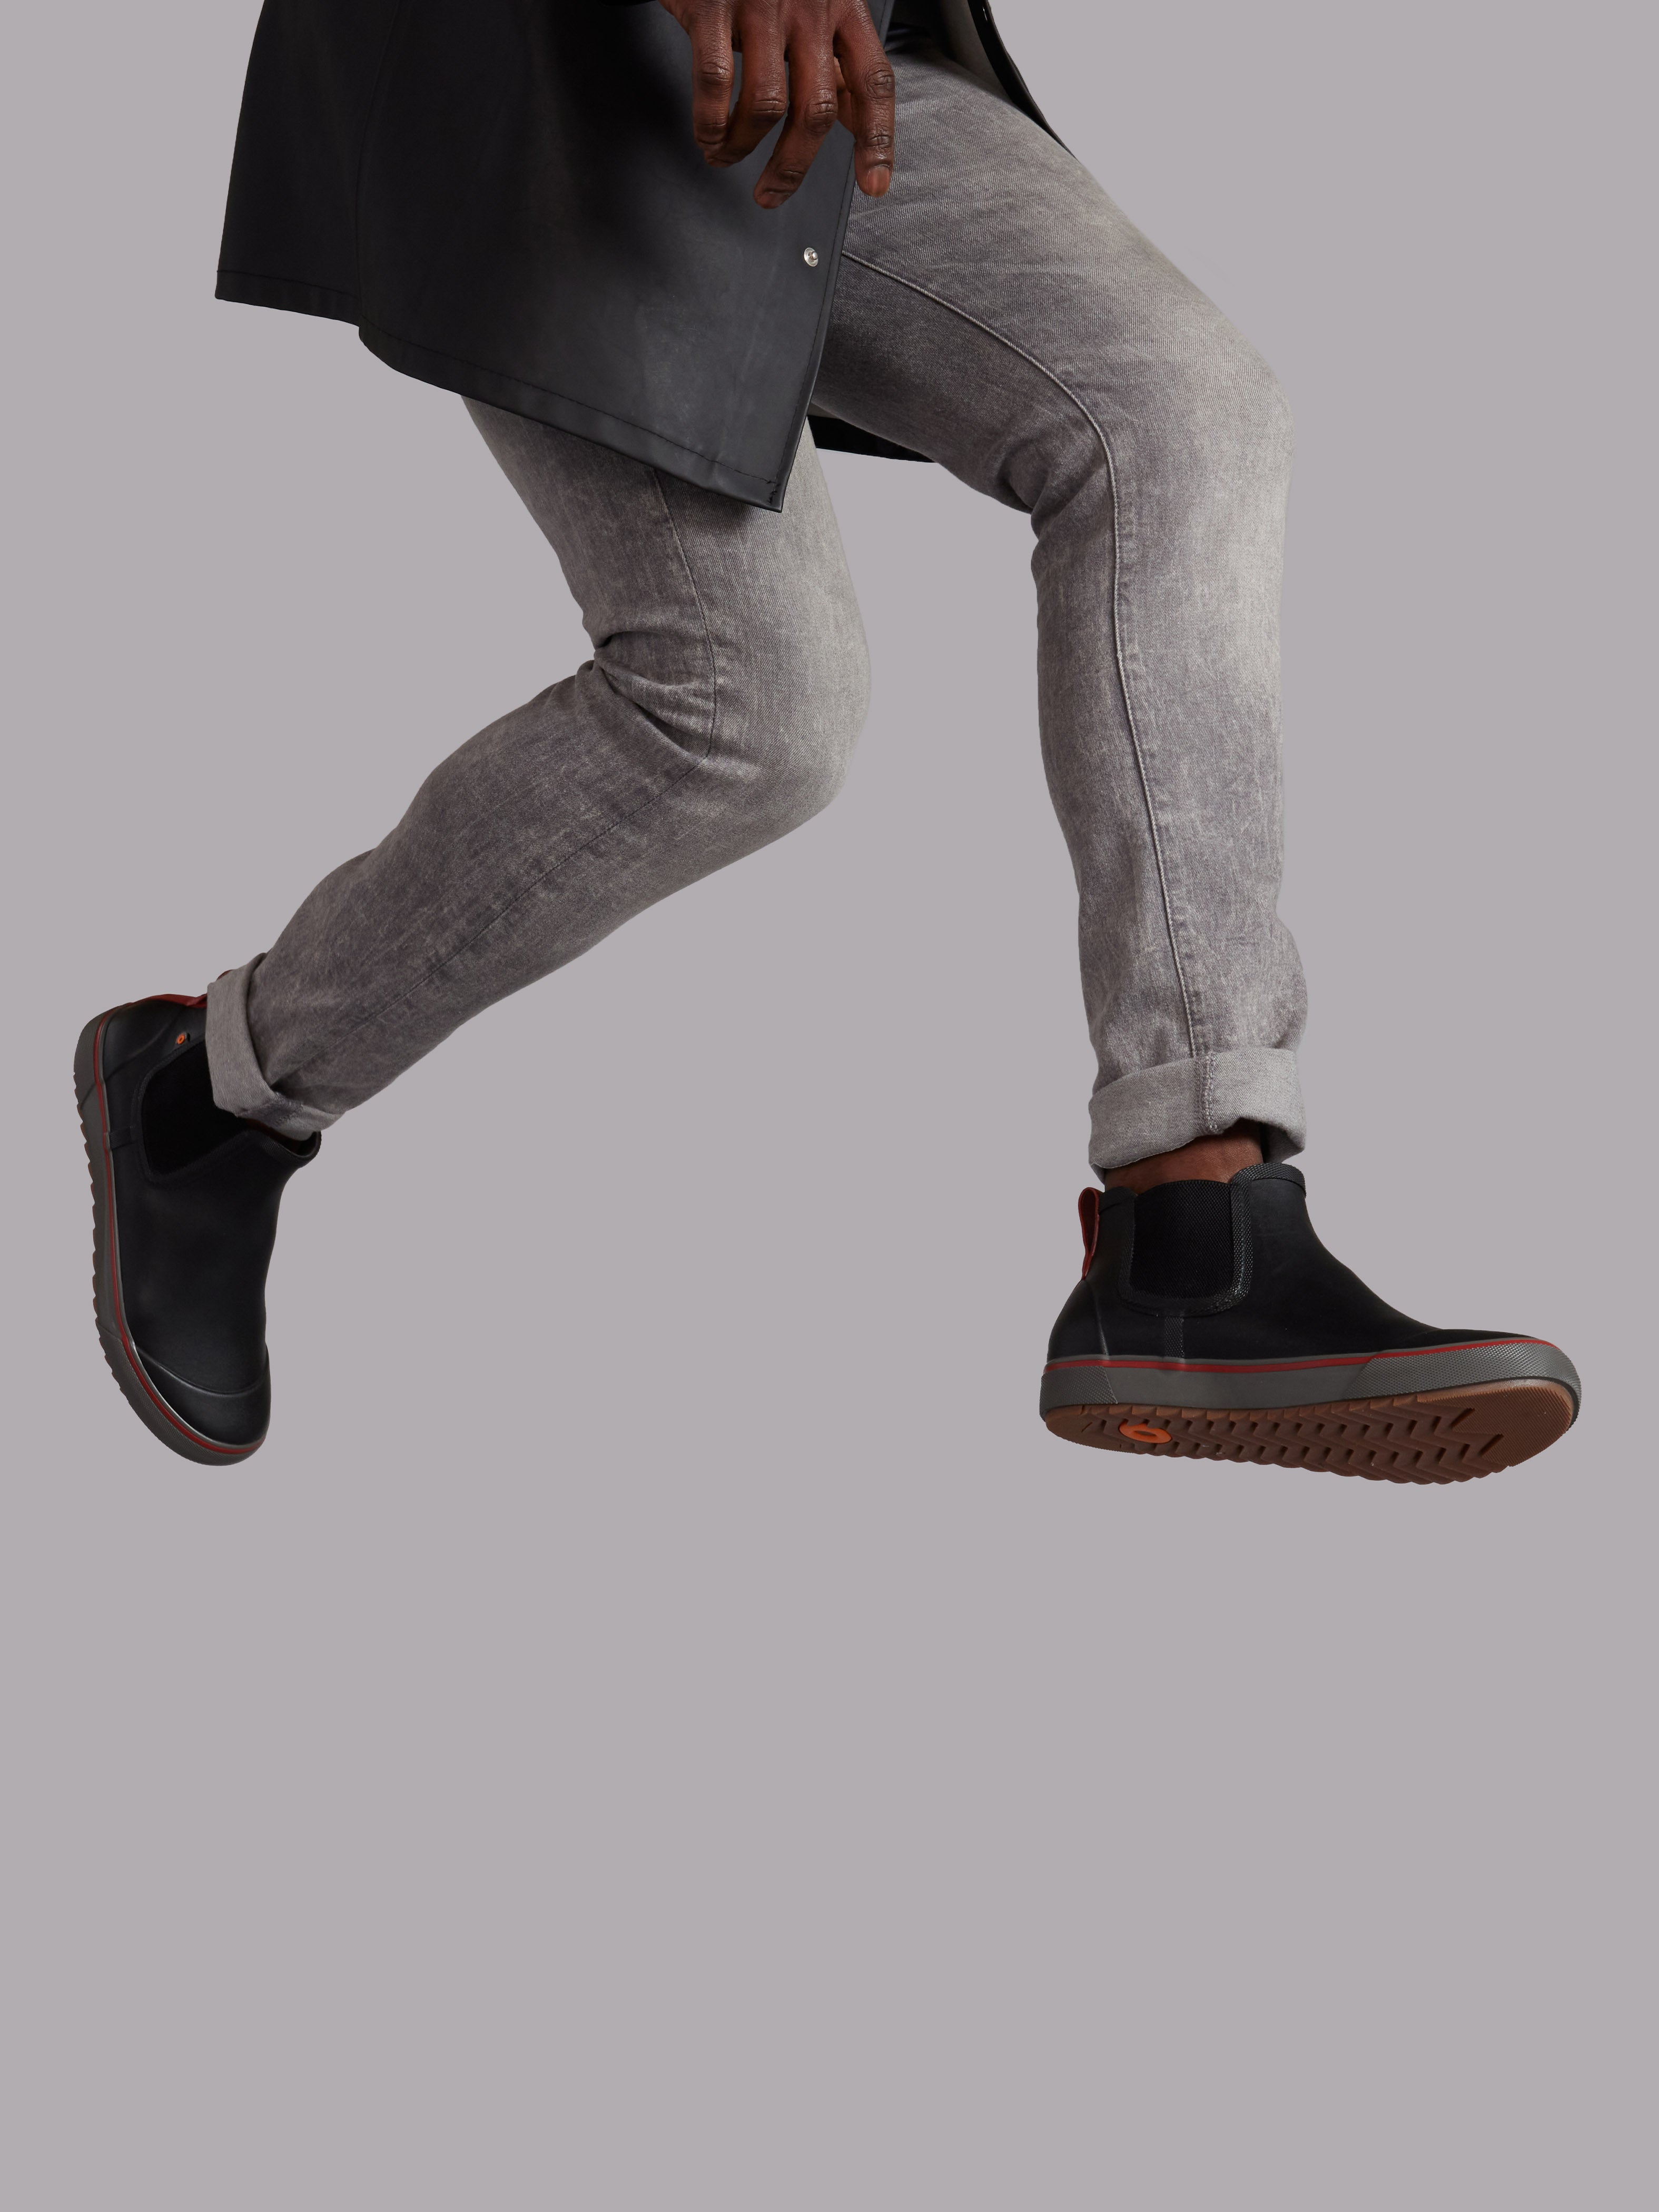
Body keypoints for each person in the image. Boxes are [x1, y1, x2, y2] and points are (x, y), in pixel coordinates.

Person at [74, 0, 1579, 1478]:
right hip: (549, 57)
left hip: (842, 53)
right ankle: (211, 1100)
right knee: (755, 707)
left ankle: (1196, 1228)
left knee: (1182, 415)